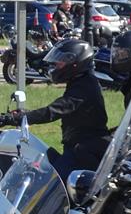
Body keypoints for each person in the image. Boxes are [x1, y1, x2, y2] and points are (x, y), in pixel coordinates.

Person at [0, 39, 110, 178]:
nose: (56, 66)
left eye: (60, 62)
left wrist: (16, 118)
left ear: (75, 63)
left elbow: (54, 110)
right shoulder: (81, 81)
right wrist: (25, 114)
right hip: (78, 147)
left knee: (50, 183)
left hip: (84, 151)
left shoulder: (85, 86)